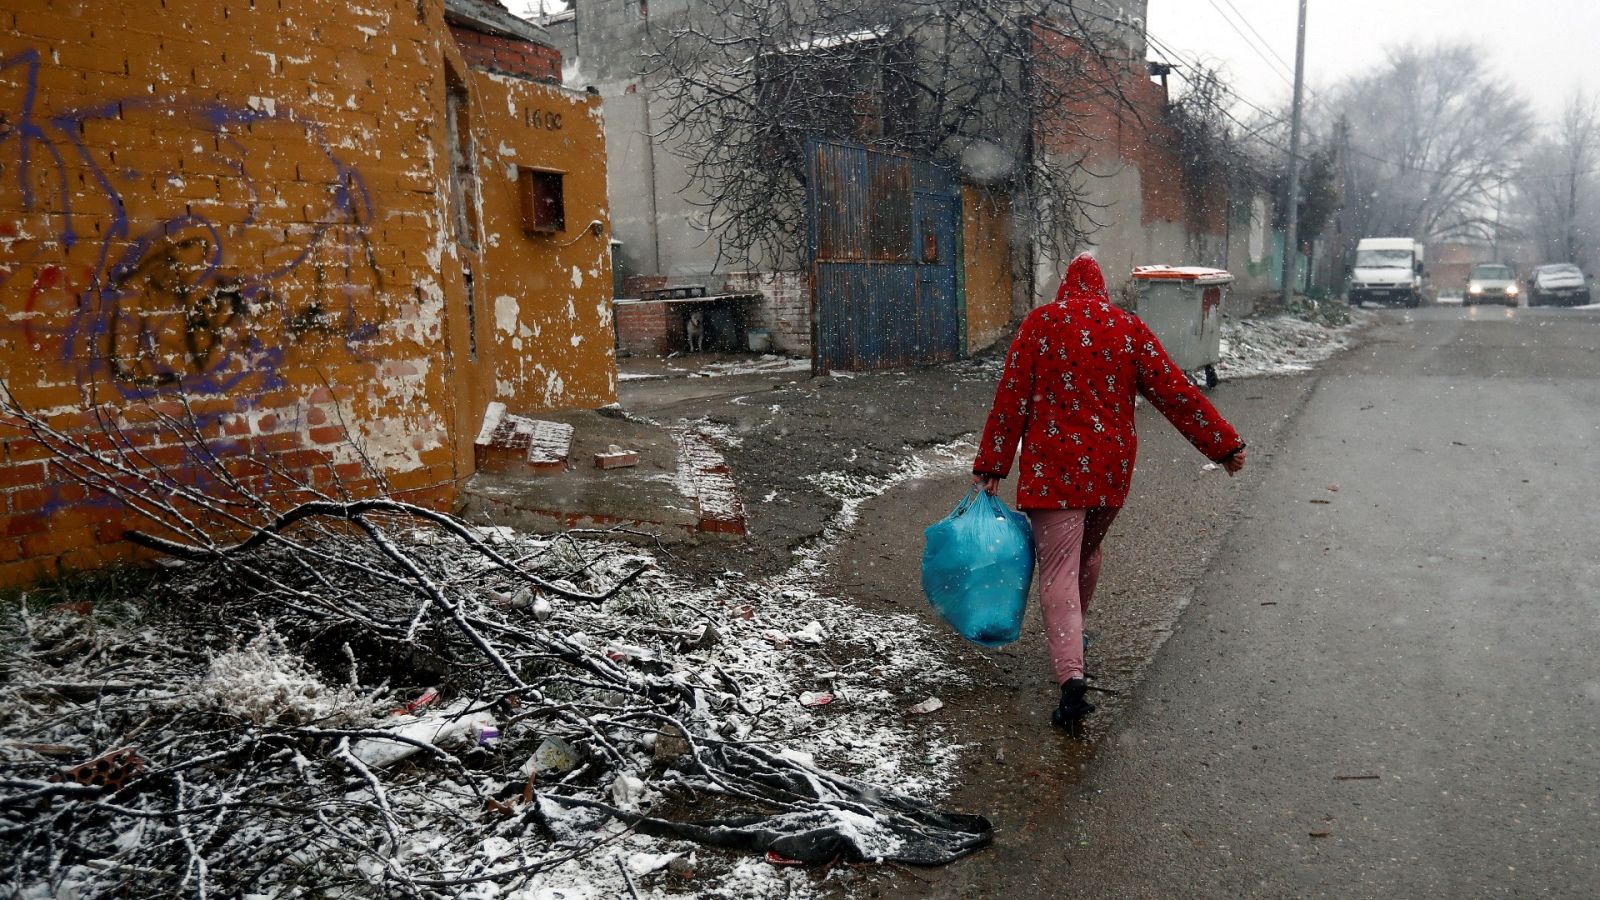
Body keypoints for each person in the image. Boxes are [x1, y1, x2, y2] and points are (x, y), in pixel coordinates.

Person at [971, 253, 1246, 735]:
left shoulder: (1040, 324)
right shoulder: (1127, 328)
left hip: (1053, 471)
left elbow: (1011, 396)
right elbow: (1174, 392)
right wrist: (1223, 446)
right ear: (1100, 289)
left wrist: (993, 464)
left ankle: (1070, 678)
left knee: (1058, 567)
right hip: (1108, 472)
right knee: (1086, 552)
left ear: (1065, 287)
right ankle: (1073, 639)